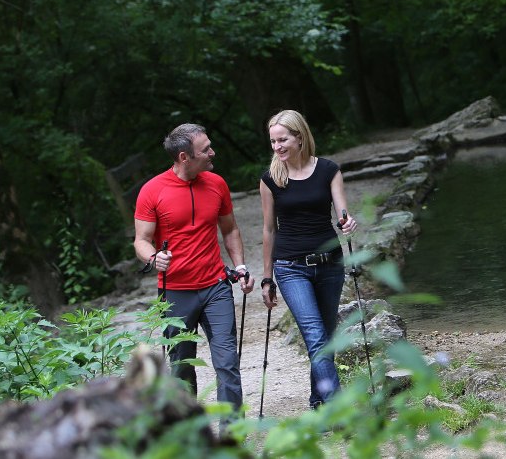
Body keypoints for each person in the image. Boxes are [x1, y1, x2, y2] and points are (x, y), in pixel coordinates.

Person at [133, 123, 255, 412]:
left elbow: (230, 230)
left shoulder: (217, 183)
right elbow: (141, 240)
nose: (213, 152)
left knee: (227, 364)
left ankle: (231, 435)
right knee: (181, 369)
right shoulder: (152, 190)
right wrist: (153, 258)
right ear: (184, 157)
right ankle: (191, 435)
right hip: (175, 292)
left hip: (216, 287)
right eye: (205, 149)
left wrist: (239, 265)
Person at [259, 109, 358, 409]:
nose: (277, 147)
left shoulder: (328, 170)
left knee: (326, 336)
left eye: (283, 140)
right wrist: (267, 278)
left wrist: (348, 223)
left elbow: (343, 214)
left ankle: (318, 400)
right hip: (290, 267)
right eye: (273, 141)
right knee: (315, 336)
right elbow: (268, 229)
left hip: (330, 263)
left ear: (299, 137)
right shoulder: (270, 180)